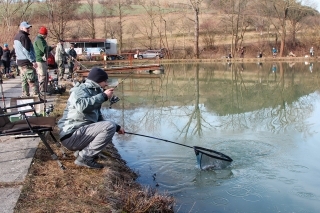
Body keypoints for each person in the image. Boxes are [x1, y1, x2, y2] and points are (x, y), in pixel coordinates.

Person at [58, 67, 125, 169]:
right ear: (98, 81)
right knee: (108, 127)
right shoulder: (80, 90)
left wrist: (117, 127)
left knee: (110, 126)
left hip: (78, 134)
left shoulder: (93, 93)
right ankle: (84, 158)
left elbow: (98, 120)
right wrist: (103, 96)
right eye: (105, 81)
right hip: (70, 136)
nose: (106, 84)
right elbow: (82, 106)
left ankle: (82, 152)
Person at [13, 21, 39, 97]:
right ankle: (36, 96)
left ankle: (25, 95)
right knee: (32, 80)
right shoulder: (24, 37)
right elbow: (26, 51)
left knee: (24, 80)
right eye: (26, 28)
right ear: (21, 28)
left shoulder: (16, 37)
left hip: (20, 62)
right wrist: (33, 61)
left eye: (28, 28)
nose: (28, 29)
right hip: (26, 62)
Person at [33, 26, 54, 95]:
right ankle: (42, 91)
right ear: (44, 34)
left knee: (46, 75)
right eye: (46, 34)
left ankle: (44, 89)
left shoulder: (41, 39)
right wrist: (51, 47)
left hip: (42, 60)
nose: (46, 36)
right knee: (43, 75)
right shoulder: (39, 40)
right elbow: (44, 49)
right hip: (40, 60)